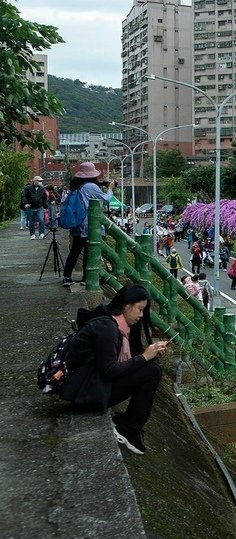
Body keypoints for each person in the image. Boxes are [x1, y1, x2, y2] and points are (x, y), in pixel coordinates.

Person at [58, 285, 168, 455]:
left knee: (152, 367)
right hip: (86, 394)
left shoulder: (117, 324)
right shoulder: (108, 328)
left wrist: (149, 356)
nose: (140, 315)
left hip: (90, 385)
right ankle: (128, 429)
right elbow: (109, 370)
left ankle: (129, 426)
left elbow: (124, 363)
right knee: (152, 371)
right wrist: (145, 357)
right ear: (126, 305)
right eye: (139, 309)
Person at [62, 163, 115, 287]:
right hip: (87, 224)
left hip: (77, 223)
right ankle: (86, 278)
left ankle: (67, 277)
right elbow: (106, 199)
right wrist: (110, 188)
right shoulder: (90, 186)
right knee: (88, 251)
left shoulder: (76, 186)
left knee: (75, 251)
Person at [21, 175, 47, 239]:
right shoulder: (28, 188)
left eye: (41, 181)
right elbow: (24, 196)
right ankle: (32, 234)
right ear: (35, 181)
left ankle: (41, 233)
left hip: (39, 207)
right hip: (30, 207)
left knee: (41, 220)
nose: (40, 182)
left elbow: (44, 197)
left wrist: (45, 205)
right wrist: (25, 203)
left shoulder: (42, 189)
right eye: (39, 181)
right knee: (31, 221)